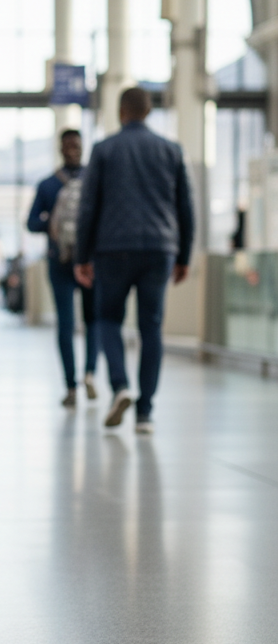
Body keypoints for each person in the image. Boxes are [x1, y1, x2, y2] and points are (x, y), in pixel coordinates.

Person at [74, 87, 195, 433]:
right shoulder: (171, 150)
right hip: (160, 249)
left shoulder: (104, 149)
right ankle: (145, 413)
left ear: (121, 111)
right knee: (151, 327)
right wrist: (184, 255)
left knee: (109, 319)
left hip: (112, 248)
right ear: (148, 112)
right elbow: (185, 208)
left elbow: (88, 208)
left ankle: (120, 385)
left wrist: (82, 256)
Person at [27, 129, 99, 407]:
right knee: (91, 321)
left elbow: (32, 223)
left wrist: (52, 223)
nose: (72, 150)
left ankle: (72, 385)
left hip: (60, 261)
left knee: (67, 325)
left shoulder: (48, 185)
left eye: (75, 145)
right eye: (69, 145)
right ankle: (88, 374)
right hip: (88, 262)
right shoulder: (93, 181)